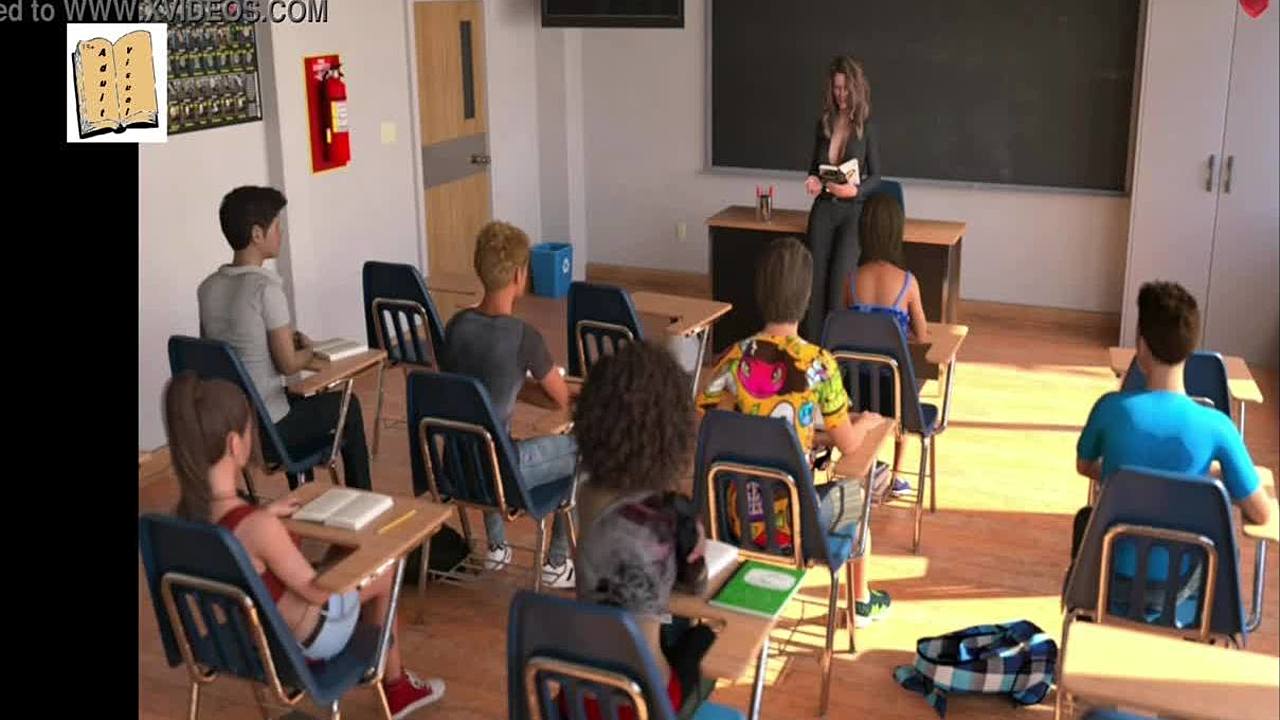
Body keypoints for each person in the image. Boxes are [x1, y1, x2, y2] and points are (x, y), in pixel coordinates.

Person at [163, 372, 444, 718]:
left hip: (245, 637)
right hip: (306, 643)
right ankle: (394, 686)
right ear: (235, 444)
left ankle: (377, 659)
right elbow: (315, 592)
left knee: (343, 554)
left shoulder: (183, 521)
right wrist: (369, 558)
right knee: (387, 570)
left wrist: (268, 517)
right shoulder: (259, 528)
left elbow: (241, 539)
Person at [698, 236, 892, 625]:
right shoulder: (819, 364)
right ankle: (860, 604)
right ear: (807, 296)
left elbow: (710, 425)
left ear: (760, 292)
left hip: (733, 517)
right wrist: (864, 422)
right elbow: (849, 446)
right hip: (795, 525)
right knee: (858, 497)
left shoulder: (733, 358)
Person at [1072, 281, 1271, 616]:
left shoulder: (1110, 409)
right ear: (1190, 348)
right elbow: (1262, 513)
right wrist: (1208, 478)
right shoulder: (1218, 426)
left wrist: (1129, 475)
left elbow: (1085, 464)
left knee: (1086, 519)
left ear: (1141, 346)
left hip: (1105, 581)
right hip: (1182, 594)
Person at [573, 342, 715, 718]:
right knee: (704, 641)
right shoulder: (669, 518)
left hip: (577, 696)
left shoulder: (585, 494)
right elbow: (696, 586)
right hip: (646, 703)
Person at [198, 186, 372, 490]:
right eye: (277, 226)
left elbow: (220, 353)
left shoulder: (208, 288)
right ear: (257, 234)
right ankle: (363, 497)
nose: (281, 233)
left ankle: (304, 490)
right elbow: (288, 364)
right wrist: (310, 351)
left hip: (230, 426)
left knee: (299, 400)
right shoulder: (265, 289)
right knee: (349, 406)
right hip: (271, 429)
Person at [439, 220, 578, 589]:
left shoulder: (455, 327)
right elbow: (561, 398)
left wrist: (519, 387)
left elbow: (475, 392)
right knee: (588, 448)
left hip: (455, 466)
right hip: (503, 473)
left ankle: (497, 547)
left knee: (485, 429)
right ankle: (557, 562)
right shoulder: (524, 337)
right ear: (519, 275)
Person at [842, 191, 928, 497]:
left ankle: (866, 468)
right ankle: (895, 476)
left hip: (855, 387)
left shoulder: (851, 280)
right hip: (894, 391)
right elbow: (923, 335)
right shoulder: (908, 282)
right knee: (909, 381)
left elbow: (847, 326)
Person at [802, 56, 882, 343]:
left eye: (846, 88)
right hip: (824, 208)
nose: (841, 94)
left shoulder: (866, 127)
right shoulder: (824, 123)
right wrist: (813, 180)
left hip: (852, 213)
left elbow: (877, 177)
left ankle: (836, 353)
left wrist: (855, 191)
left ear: (856, 88)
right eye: (836, 88)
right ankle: (813, 353)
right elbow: (814, 168)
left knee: (838, 286)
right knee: (814, 285)